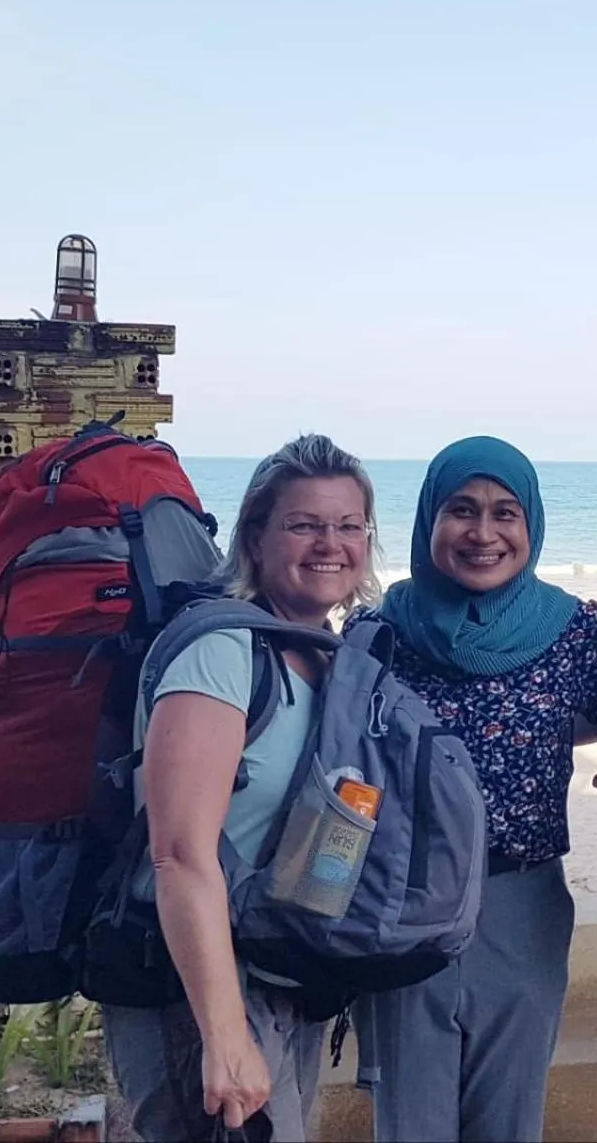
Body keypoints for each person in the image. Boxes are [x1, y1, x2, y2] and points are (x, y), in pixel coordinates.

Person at [346, 435, 597, 1142]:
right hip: (401, 906)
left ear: (530, 526)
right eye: (461, 509)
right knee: (410, 1123)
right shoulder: (377, 632)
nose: (483, 532)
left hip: (521, 901)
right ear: (427, 520)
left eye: (506, 513)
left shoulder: (569, 632)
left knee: (509, 1121)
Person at [103, 433, 383, 1143]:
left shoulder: (323, 654)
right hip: (194, 986)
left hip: (279, 976)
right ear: (255, 538)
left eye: (349, 525)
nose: (331, 543)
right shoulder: (220, 652)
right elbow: (179, 852)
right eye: (304, 524)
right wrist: (223, 1034)